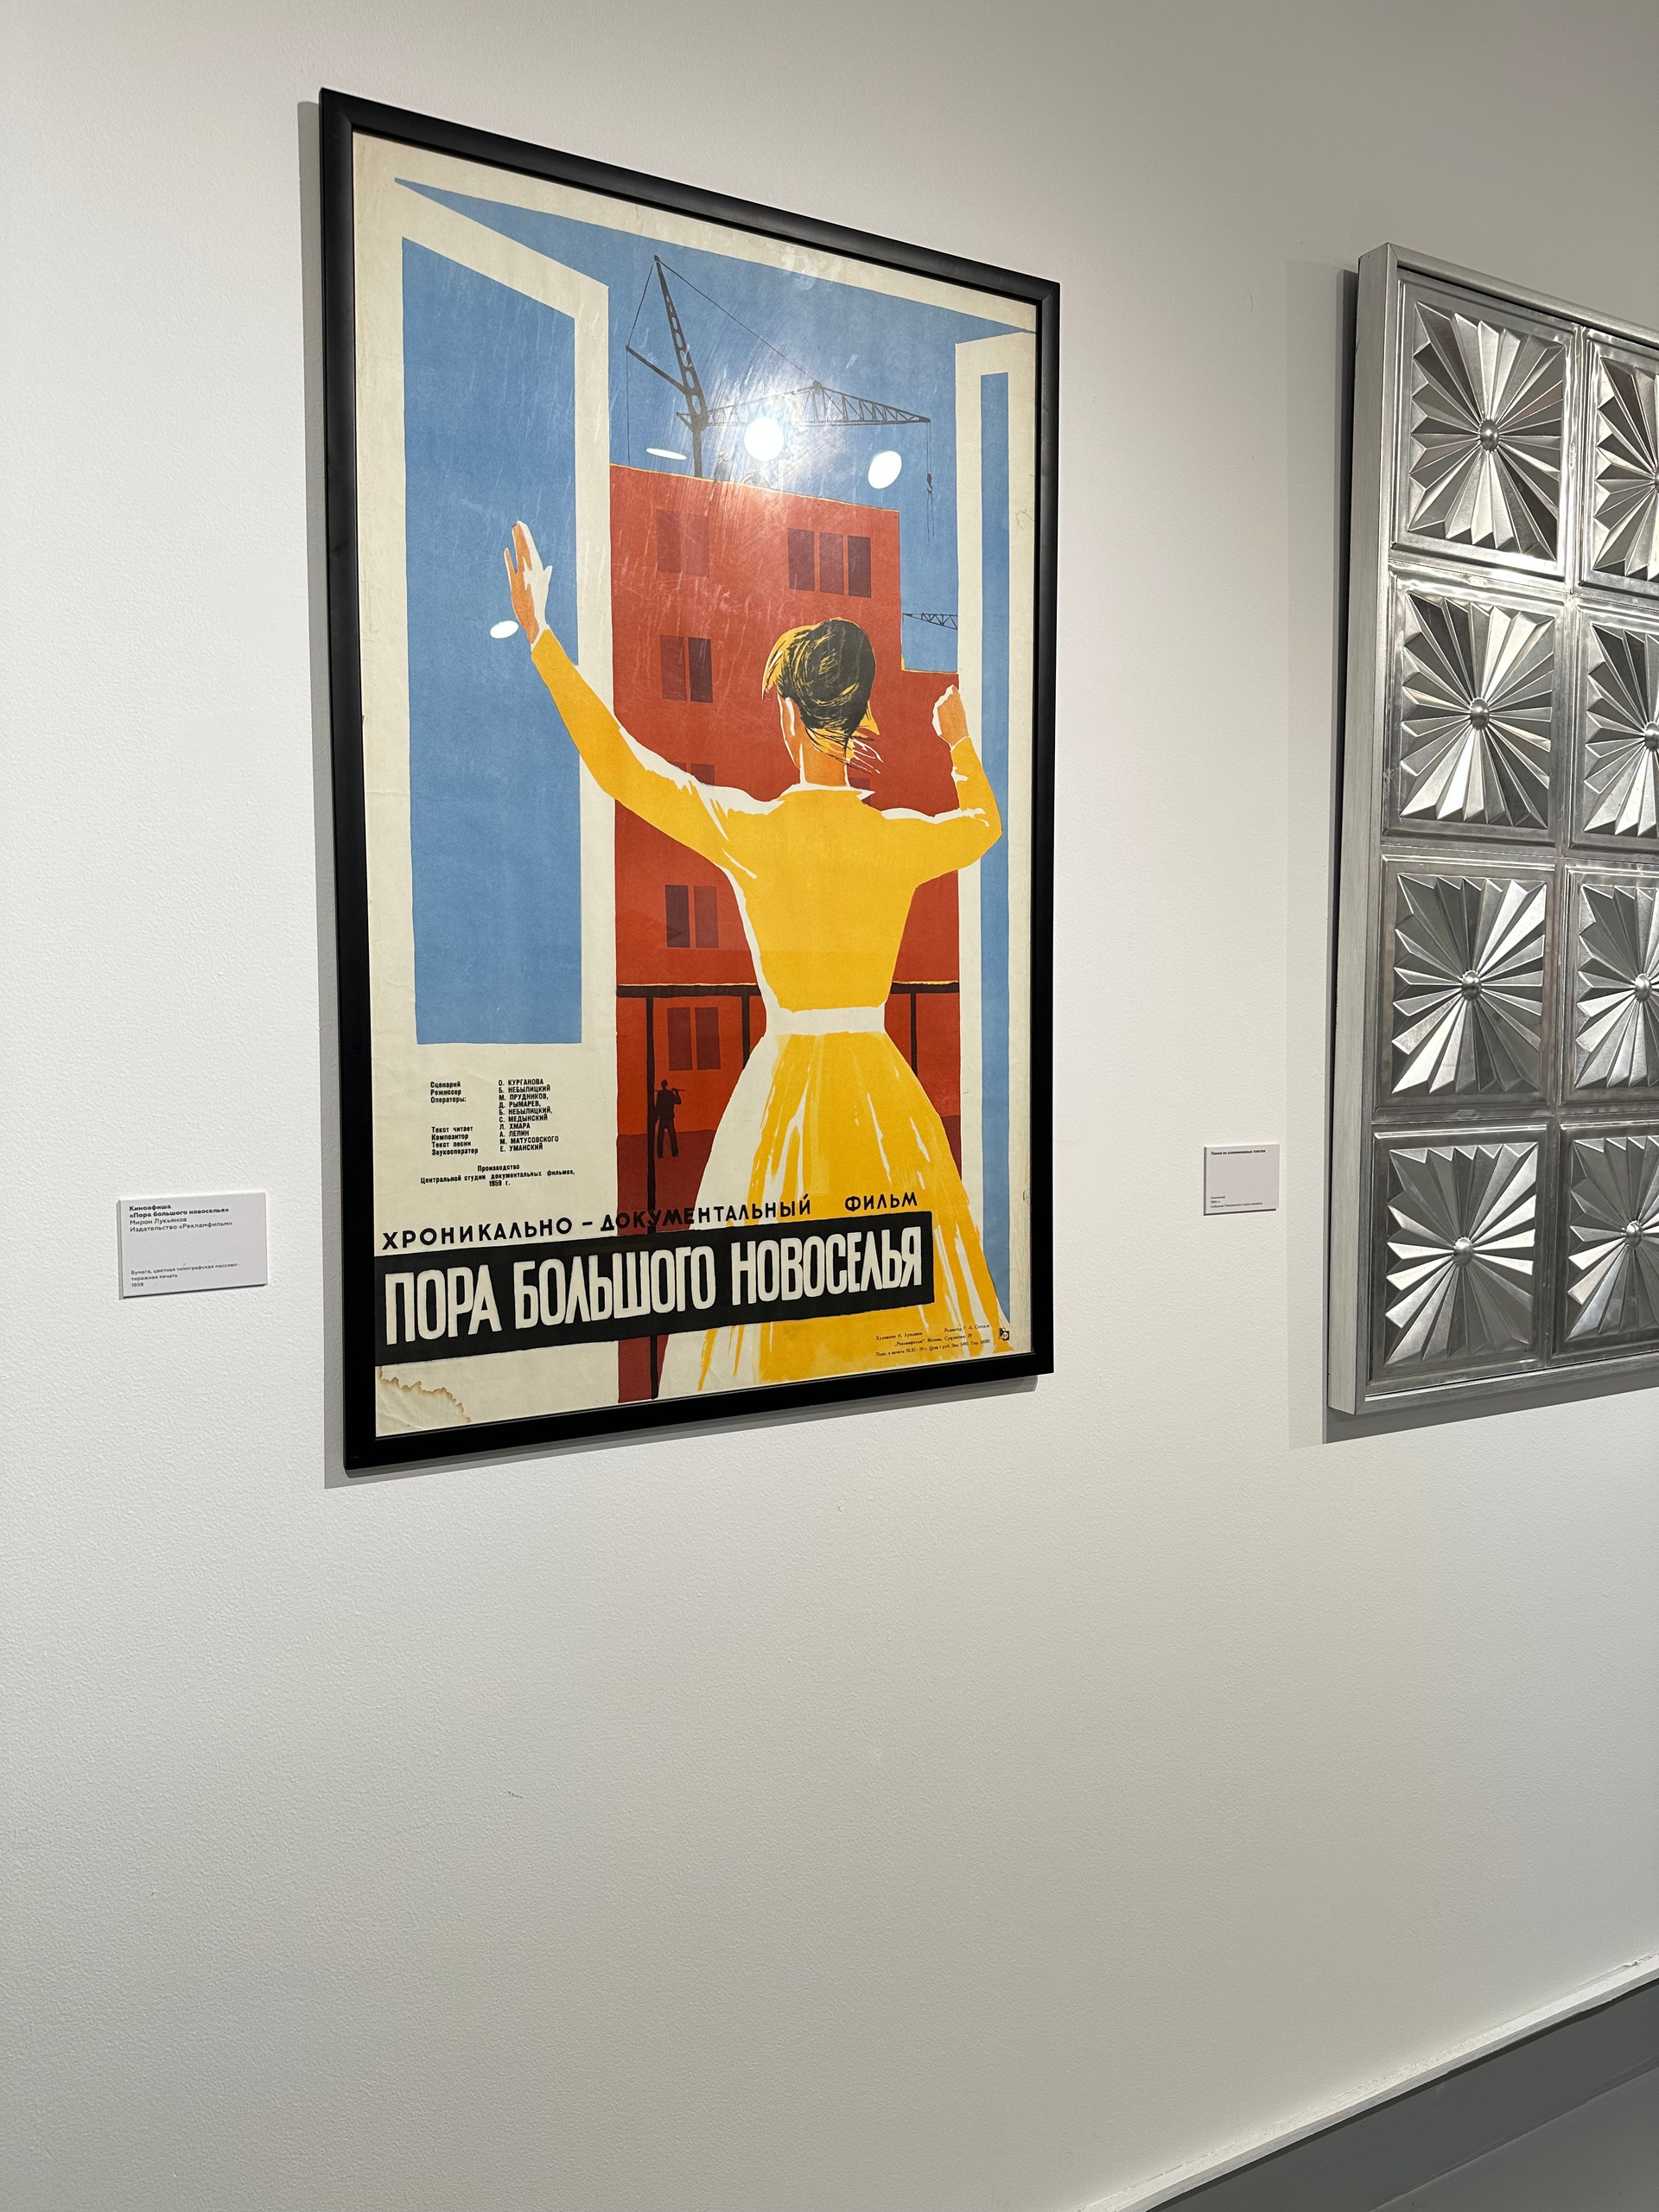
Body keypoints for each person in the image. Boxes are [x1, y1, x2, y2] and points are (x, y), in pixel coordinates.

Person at [503, 520, 1007, 1392]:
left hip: (786, 1085)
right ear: (858, 717)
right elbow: (985, 825)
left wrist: (543, 638)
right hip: (881, 1087)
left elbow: (623, 769)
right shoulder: (895, 839)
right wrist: (958, 738)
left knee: (769, 1301)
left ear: (789, 717)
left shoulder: (754, 830)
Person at [653, 1077, 681, 1160]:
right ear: (666, 1085)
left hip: (663, 1118)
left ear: (662, 1085)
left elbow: (657, 1107)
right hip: (669, 1118)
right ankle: (675, 1153)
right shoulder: (670, 1094)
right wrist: (676, 1093)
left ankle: (660, 1154)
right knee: (672, 1136)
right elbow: (678, 1101)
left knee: (661, 1137)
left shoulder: (660, 1094)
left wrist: (656, 1118)